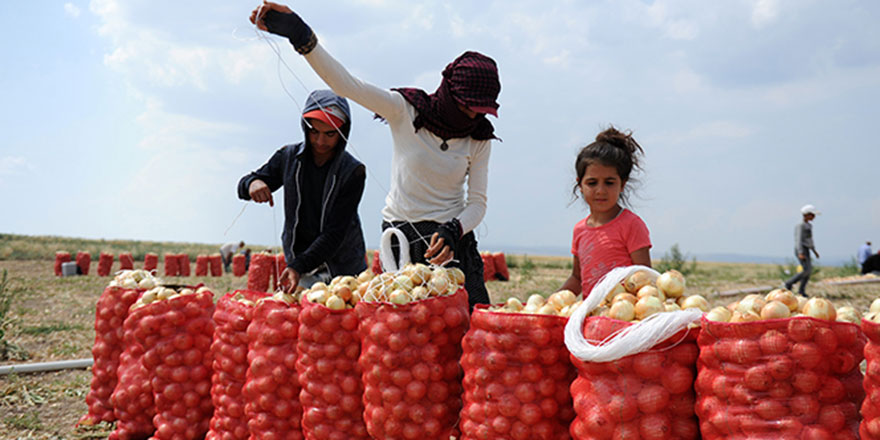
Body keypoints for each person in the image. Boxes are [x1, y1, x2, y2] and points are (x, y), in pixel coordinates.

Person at [249, 2, 499, 309]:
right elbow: (346, 85)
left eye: (481, 109)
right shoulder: (405, 111)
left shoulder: (479, 137)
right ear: (449, 91)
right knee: (403, 330)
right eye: (466, 105)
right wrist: (301, 35)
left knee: (467, 321)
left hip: (449, 239)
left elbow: (477, 203)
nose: (473, 114)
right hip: (401, 237)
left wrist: (454, 229)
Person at [237, 89, 368, 289]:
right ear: (305, 127)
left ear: (343, 132)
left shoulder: (353, 172)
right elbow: (246, 184)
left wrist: (298, 266)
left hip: (343, 270)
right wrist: (252, 184)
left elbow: (334, 233)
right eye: (314, 131)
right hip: (301, 267)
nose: (320, 141)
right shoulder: (288, 158)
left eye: (329, 134)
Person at [560, 127, 652, 297]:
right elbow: (576, 278)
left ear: (622, 184)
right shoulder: (579, 230)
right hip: (592, 318)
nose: (600, 190)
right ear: (580, 185)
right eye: (592, 183)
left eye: (609, 182)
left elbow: (645, 280)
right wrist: (551, 301)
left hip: (623, 316)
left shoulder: (631, 225)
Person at [784, 204, 820, 295]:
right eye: (812, 215)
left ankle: (802, 290)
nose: (814, 217)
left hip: (807, 249)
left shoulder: (809, 226)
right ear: (807, 214)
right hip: (802, 249)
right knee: (805, 270)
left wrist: (814, 251)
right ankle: (789, 283)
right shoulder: (800, 226)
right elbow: (798, 239)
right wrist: (800, 252)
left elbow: (809, 240)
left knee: (808, 271)